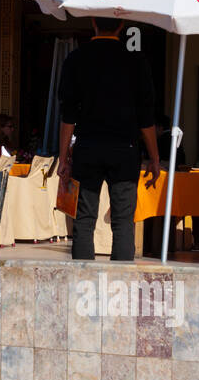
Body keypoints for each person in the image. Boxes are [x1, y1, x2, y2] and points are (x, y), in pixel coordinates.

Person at [57, 17, 162, 261]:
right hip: (125, 149)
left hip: (87, 146)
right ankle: (120, 282)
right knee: (123, 220)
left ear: (93, 23)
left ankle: (83, 282)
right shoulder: (136, 60)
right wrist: (155, 158)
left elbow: (68, 116)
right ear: (121, 26)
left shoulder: (76, 59)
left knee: (84, 218)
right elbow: (146, 118)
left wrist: (63, 157)